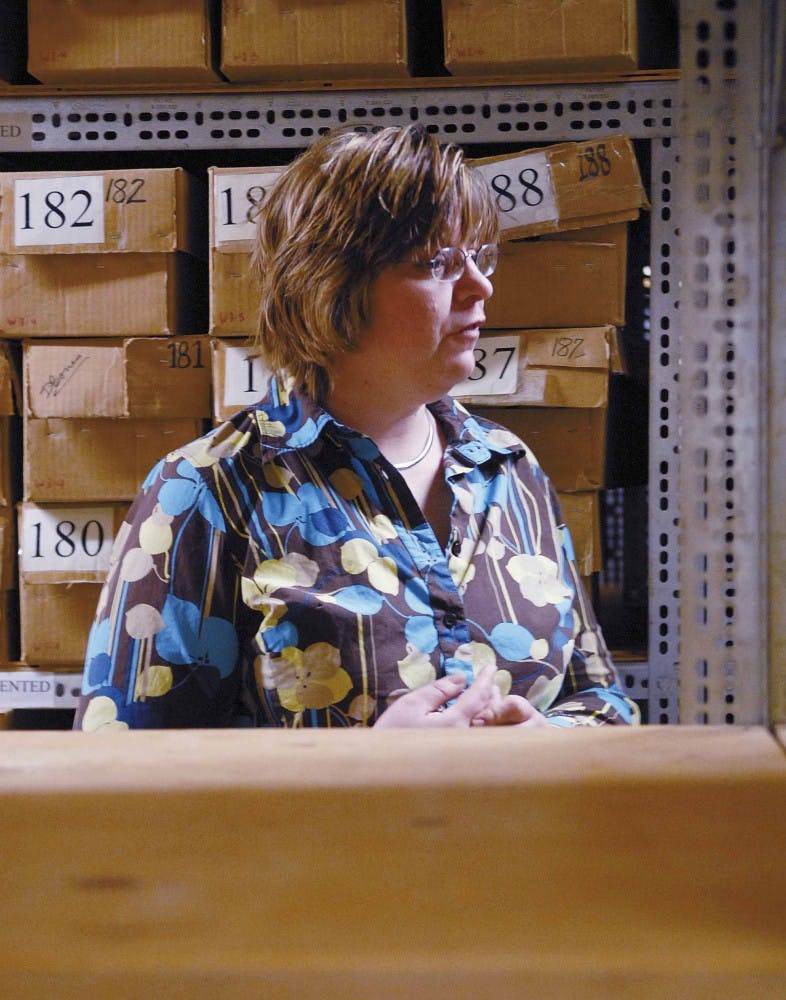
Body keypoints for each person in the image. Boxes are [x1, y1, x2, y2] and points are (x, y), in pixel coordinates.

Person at [74, 124, 640, 731]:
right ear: (332, 287)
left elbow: (604, 701)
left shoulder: (509, 467)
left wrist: (546, 739)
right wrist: (360, 774)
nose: (482, 286)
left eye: (480, 256)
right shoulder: (208, 491)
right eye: (438, 263)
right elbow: (119, 774)